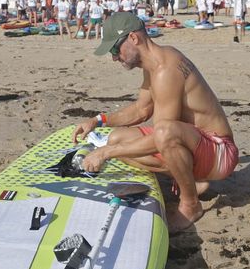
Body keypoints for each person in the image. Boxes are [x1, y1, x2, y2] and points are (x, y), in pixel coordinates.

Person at [74, 12, 239, 230]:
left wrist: (104, 153)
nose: (114, 57)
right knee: (116, 138)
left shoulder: (165, 71)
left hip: (219, 152)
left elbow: (162, 135)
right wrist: (98, 120)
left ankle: (190, 205)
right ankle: (191, 182)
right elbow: (141, 110)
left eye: (115, 49)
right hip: (196, 144)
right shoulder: (156, 63)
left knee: (158, 135)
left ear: (133, 38)